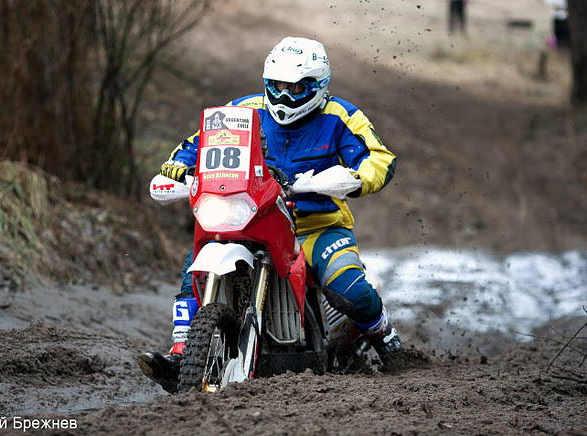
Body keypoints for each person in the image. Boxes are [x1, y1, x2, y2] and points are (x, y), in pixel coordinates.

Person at [139, 37, 403, 391]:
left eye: (297, 87)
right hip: (252, 218)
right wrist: (178, 167)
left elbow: (379, 158)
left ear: (319, 86)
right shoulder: (239, 112)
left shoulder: (340, 117)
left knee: (348, 288)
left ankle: (384, 336)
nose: (285, 95)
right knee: (195, 265)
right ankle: (182, 351)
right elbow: (196, 145)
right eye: (278, 85)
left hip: (316, 227)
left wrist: (353, 178)